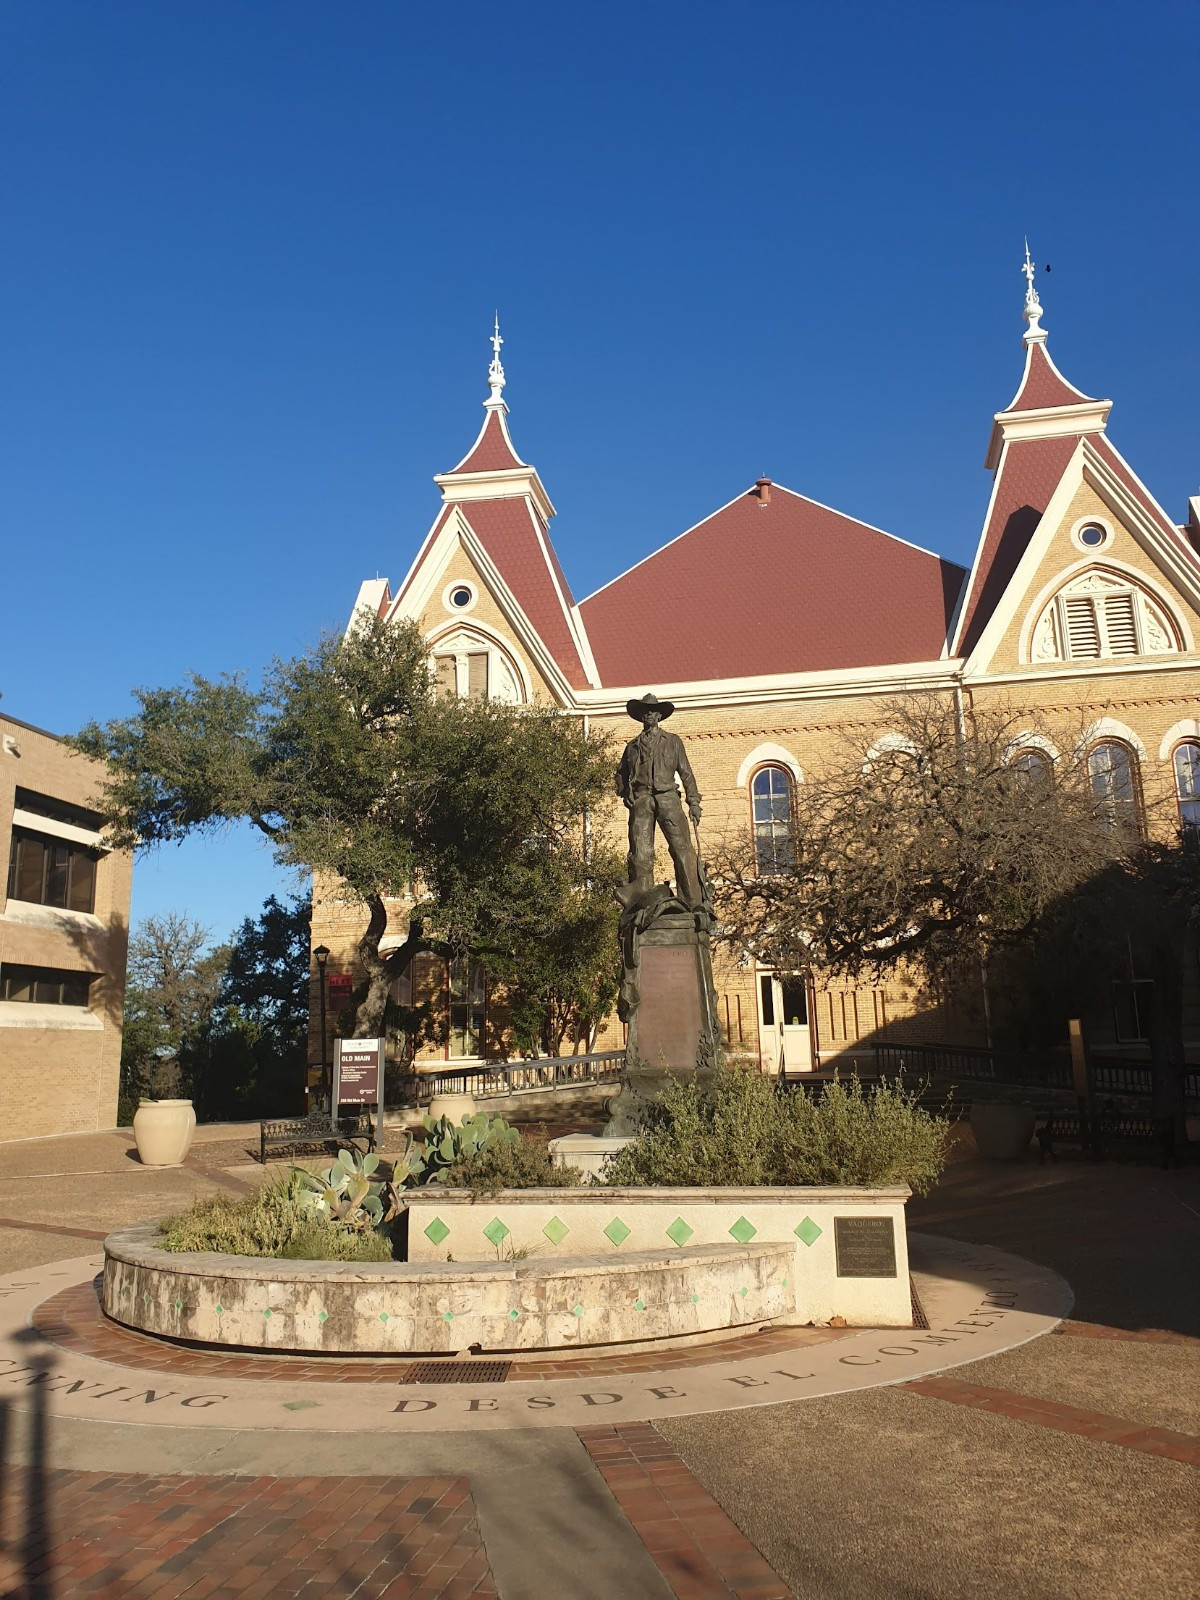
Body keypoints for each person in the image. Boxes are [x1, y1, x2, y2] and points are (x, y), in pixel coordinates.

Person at [616, 692, 704, 910]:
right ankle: (641, 900)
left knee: (681, 848)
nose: (649, 715)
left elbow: (687, 773)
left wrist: (693, 802)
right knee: (640, 852)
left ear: (659, 716)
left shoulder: (672, 742)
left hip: (668, 799)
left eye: (653, 712)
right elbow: (620, 774)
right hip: (642, 800)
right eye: (645, 712)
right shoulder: (632, 747)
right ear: (641, 717)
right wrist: (625, 791)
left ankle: (692, 901)